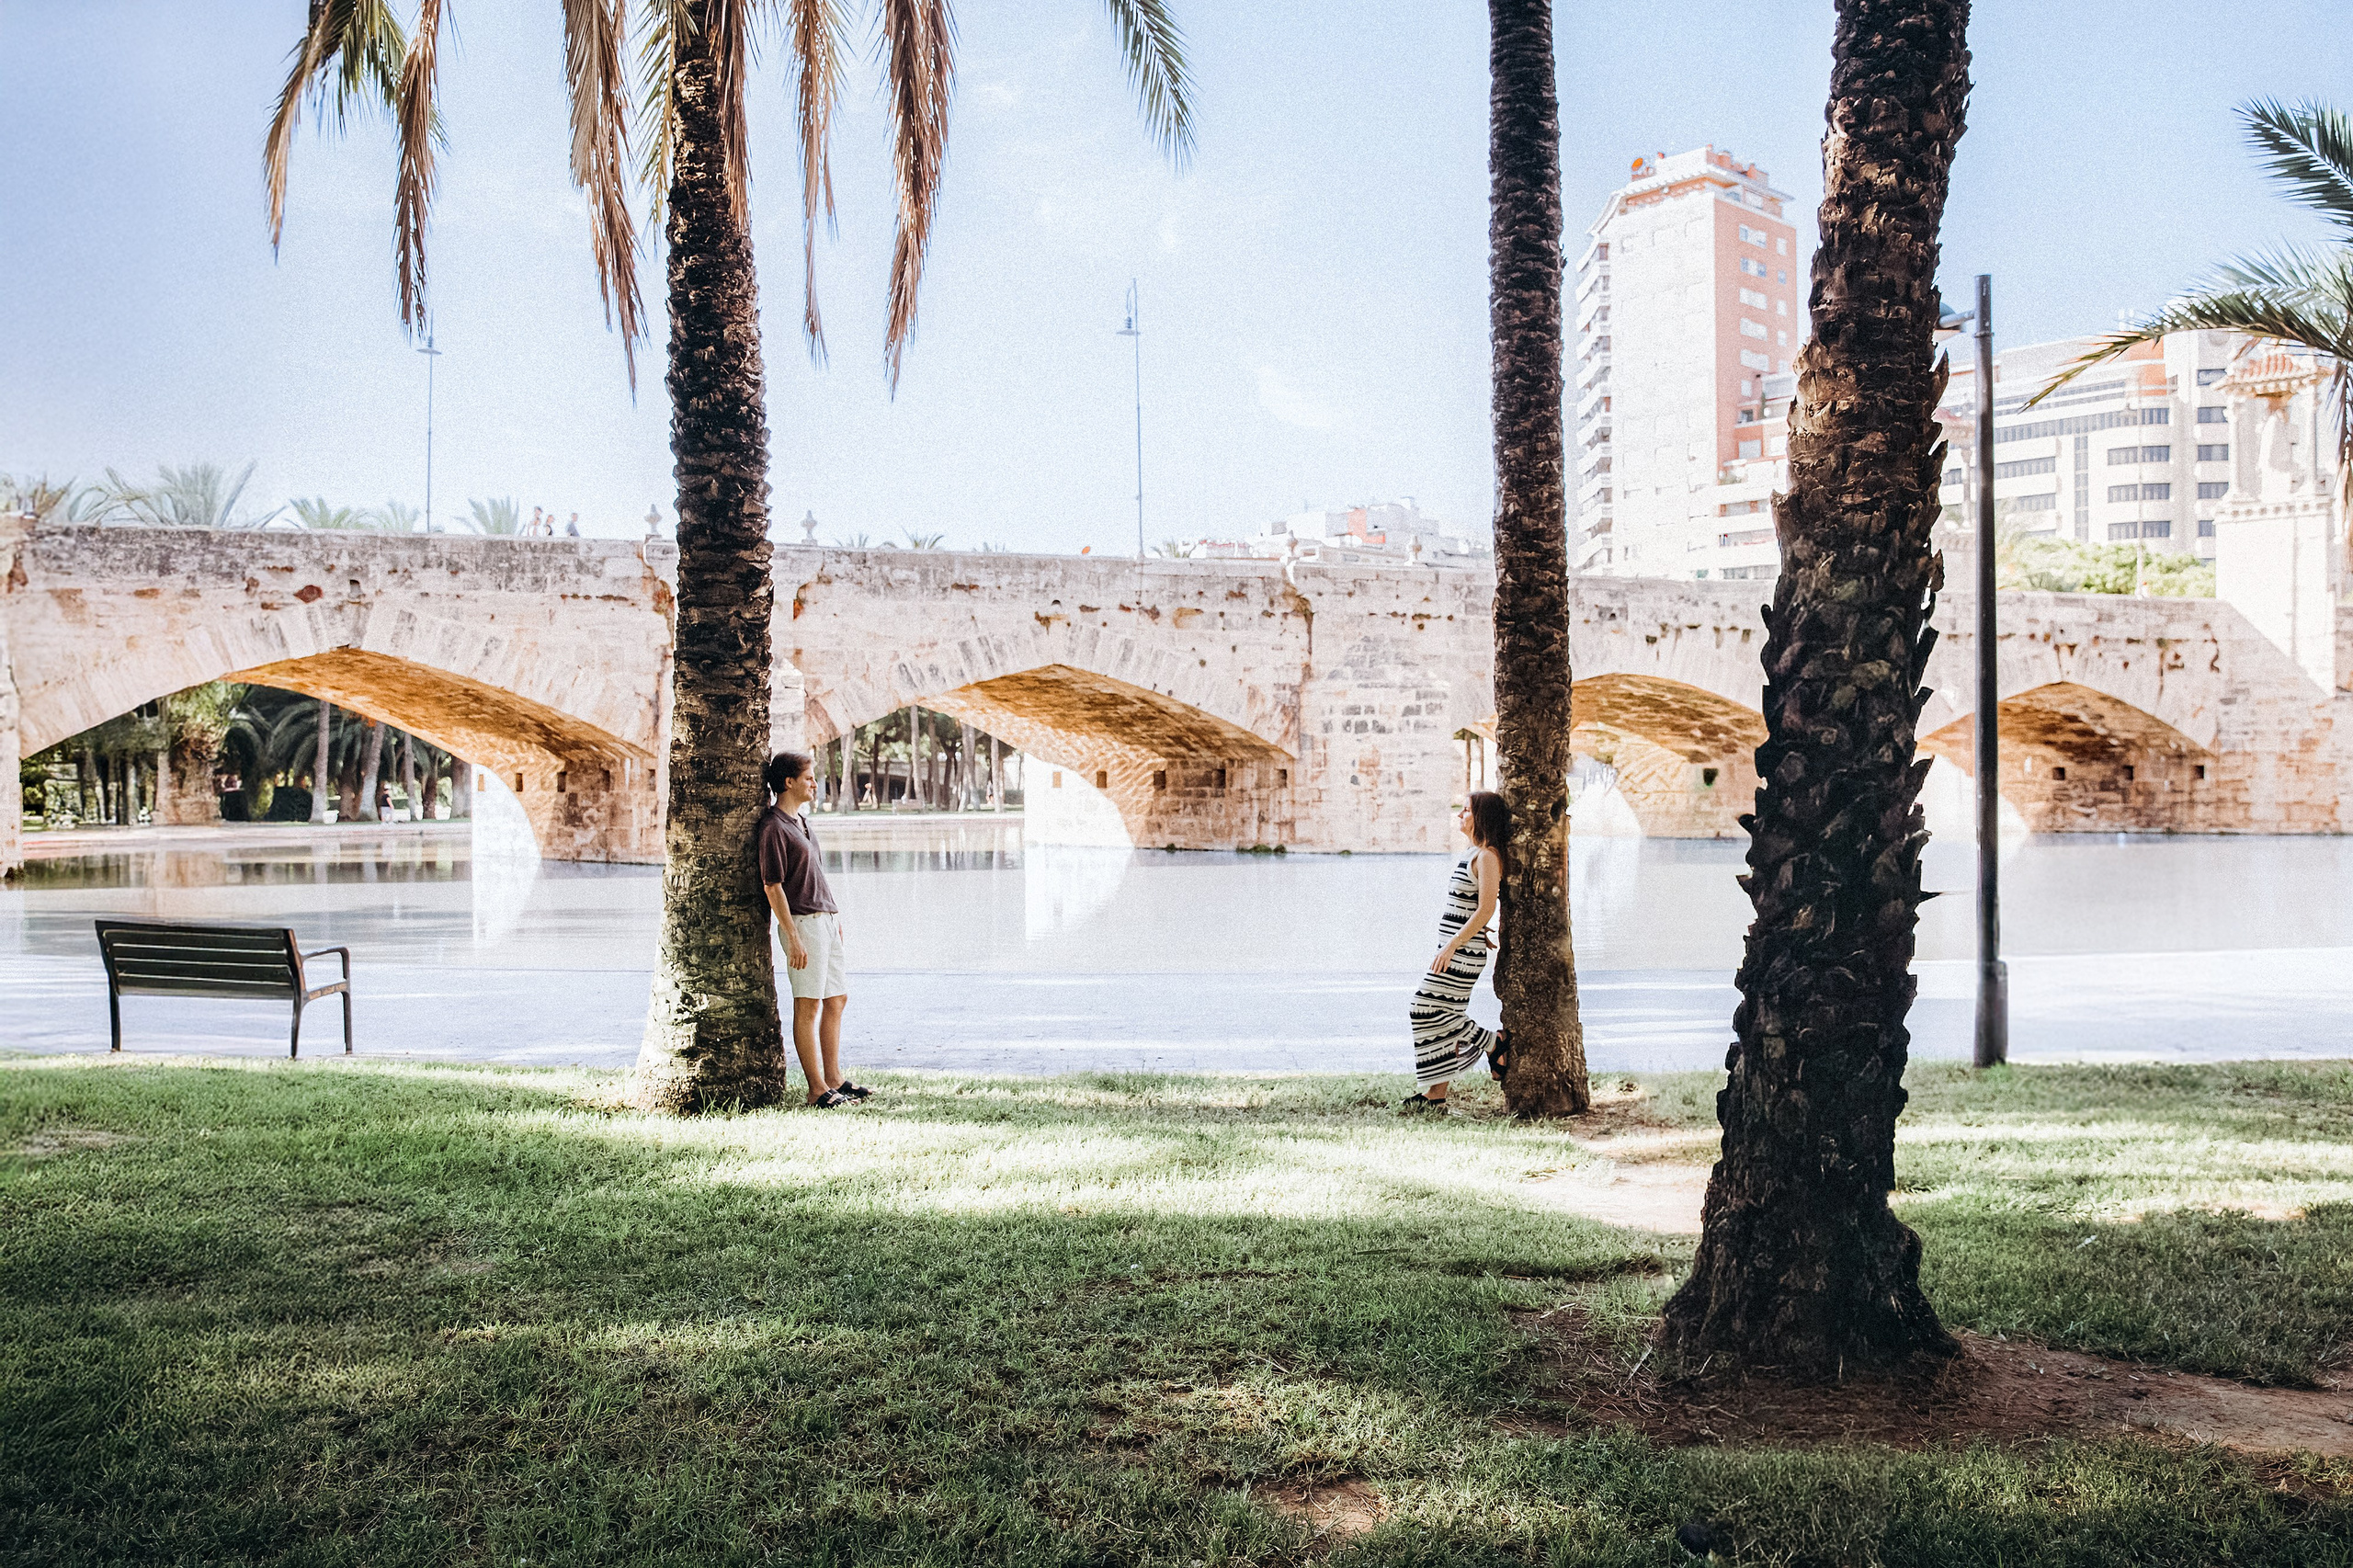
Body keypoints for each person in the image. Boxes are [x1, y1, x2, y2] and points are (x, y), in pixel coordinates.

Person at [757, 751, 870, 1108]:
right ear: (788, 782)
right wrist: (792, 936)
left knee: (836, 999)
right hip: (803, 925)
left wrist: (835, 917)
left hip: (825, 921)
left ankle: (834, 1078)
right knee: (808, 1006)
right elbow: (772, 886)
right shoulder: (773, 827)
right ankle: (816, 1089)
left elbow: (816, 874)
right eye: (808, 778)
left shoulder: (802, 822)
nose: (814, 783)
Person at [1403, 790, 1510, 1112]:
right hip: (1454, 947)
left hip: (1459, 952)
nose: (1460, 815)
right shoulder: (1471, 852)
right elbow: (1468, 908)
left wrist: (1455, 943)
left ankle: (1495, 1043)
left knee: (1423, 1008)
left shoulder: (1488, 856)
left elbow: (1487, 907)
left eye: (1466, 810)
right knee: (1444, 1013)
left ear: (1482, 818)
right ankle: (1435, 1096)